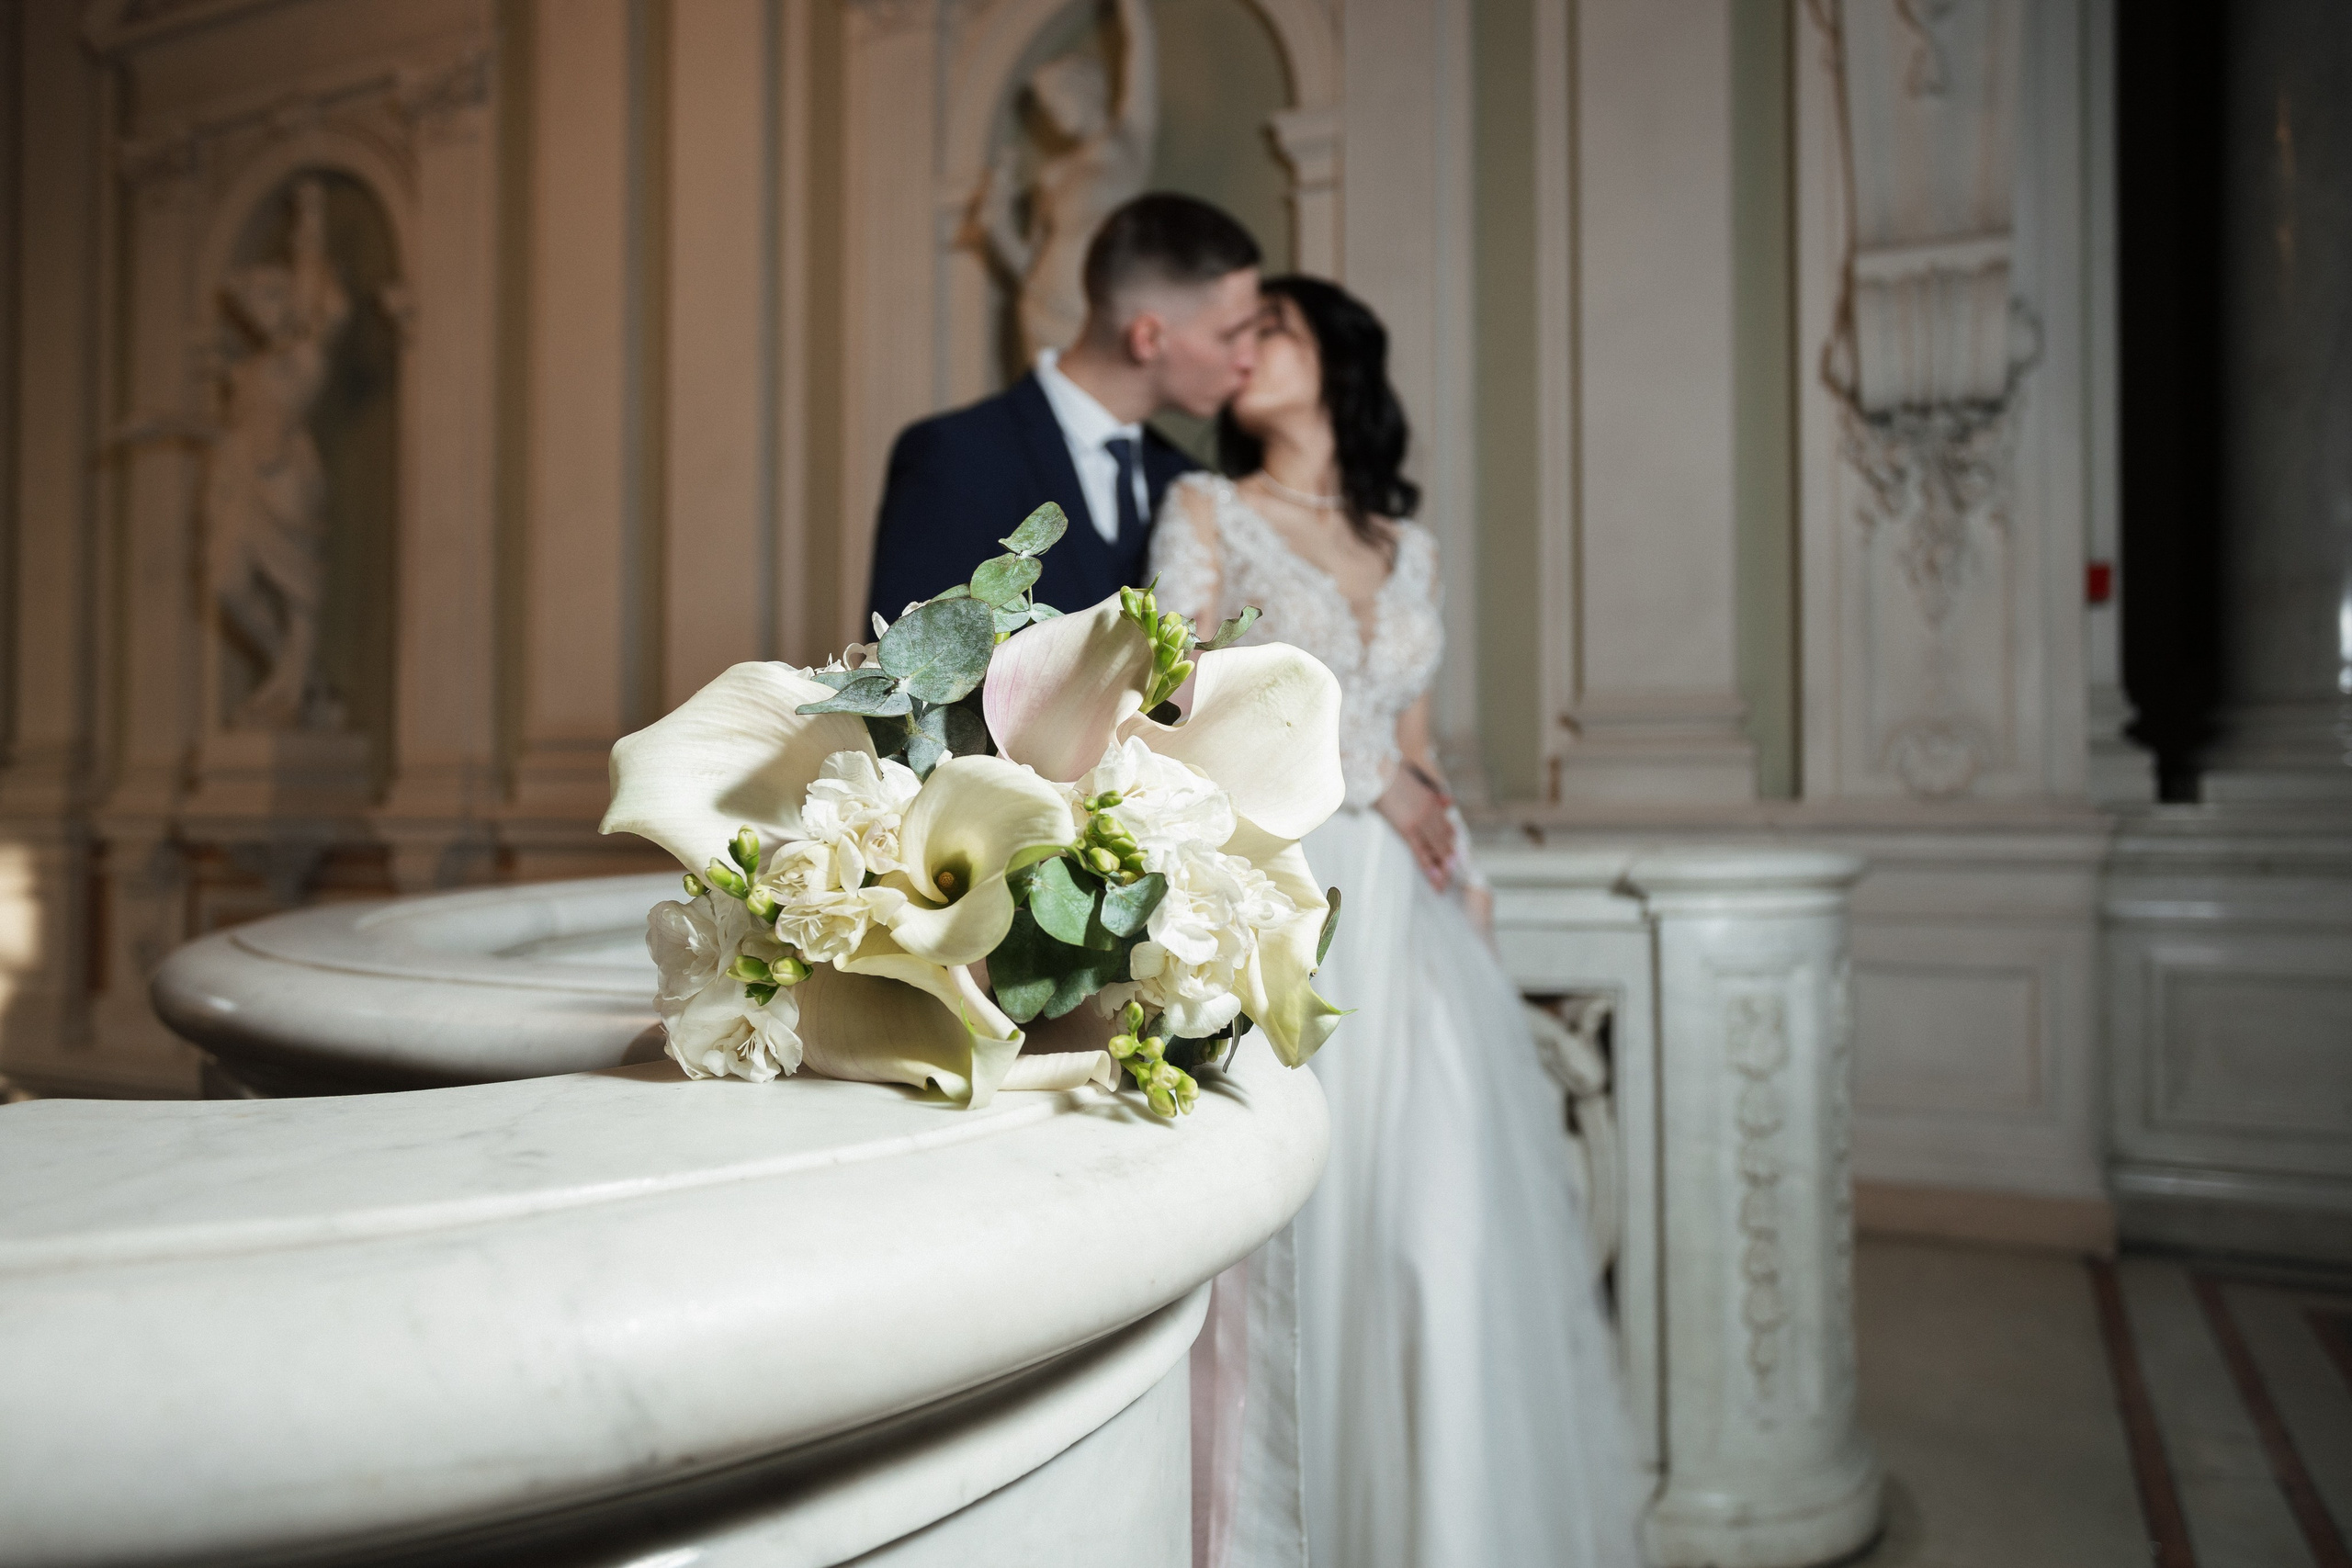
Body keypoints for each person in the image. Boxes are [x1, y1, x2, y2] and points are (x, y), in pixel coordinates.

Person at [1152, 276, 1644, 1568]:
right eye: (1238, 334)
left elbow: (1425, 743)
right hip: (1289, 888)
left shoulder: (1409, 544)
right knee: (1302, 1240)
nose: (1246, 350)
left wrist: (1464, 876)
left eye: (1275, 330)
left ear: (1337, 360)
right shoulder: (1204, 508)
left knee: (1437, 1243)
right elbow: (1186, 698)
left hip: (1413, 919)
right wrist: (1372, 776)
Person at [866, 192, 1261, 625]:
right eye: (1230, 336)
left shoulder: (1184, 479)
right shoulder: (956, 456)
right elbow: (908, 668)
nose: (1248, 359)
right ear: (1148, 338)